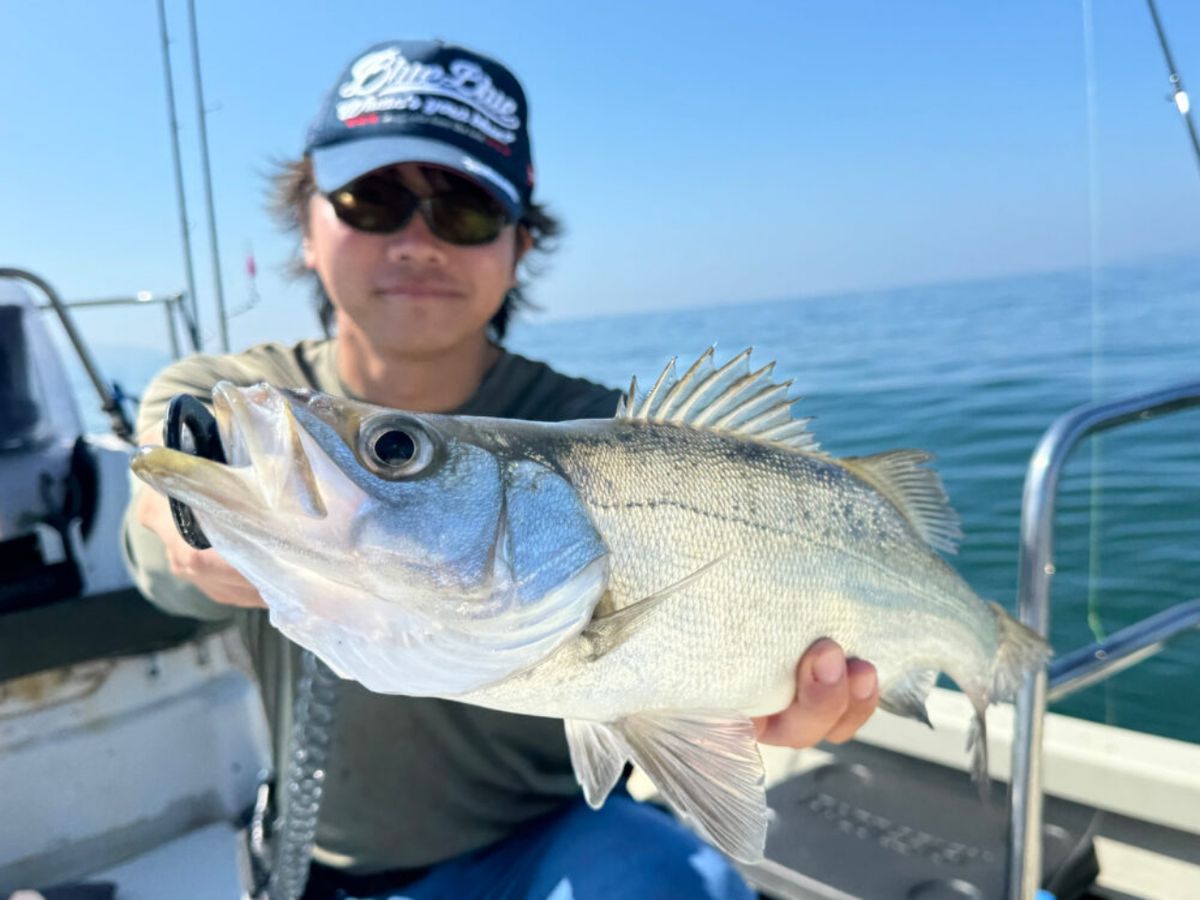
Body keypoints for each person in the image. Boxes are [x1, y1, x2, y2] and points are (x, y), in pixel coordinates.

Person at [123, 39, 880, 899]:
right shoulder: (227, 399)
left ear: (520, 245)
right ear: (307, 225)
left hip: (560, 839)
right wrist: (190, 528)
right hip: (318, 861)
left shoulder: (605, 432)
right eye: (372, 201)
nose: (416, 242)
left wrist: (742, 690)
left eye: (468, 211)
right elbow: (162, 519)